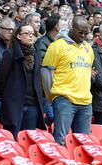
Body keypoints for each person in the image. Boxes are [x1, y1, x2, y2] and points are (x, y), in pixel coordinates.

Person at [42, 16, 94, 146]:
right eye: (80, 32)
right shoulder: (57, 46)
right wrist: (51, 97)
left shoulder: (88, 48)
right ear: (72, 29)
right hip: (64, 98)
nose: (83, 36)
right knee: (61, 141)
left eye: (85, 33)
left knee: (84, 144)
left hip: (86, 101)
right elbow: (45, 73)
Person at [0, 23, 46, 138]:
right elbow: (1, 78)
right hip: (15, 105)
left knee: (28, 139)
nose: (31, 36)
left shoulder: (36, 54)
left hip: (33, 105)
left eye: (32, 34)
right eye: (27, 33)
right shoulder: (10, 53)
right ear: (19, 36)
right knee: (12, 139)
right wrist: (9, 97)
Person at [0, 17, 16, 120]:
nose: (11, 32)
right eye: (8, 29)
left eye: (13, 30)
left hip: (10, 96)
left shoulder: (14, 46)